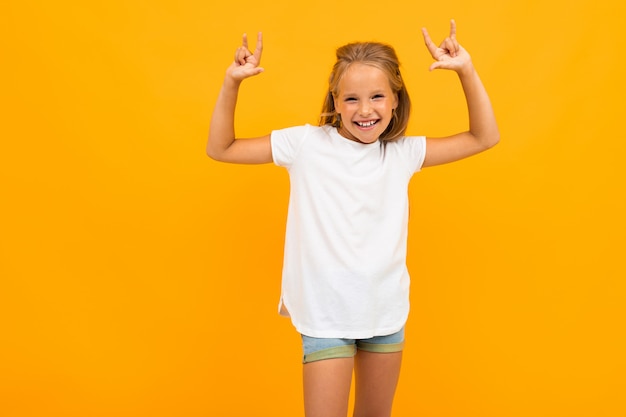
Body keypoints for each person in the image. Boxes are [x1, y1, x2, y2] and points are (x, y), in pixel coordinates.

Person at [207, 20, 499, 417]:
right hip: (326, 316)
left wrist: (465, 69)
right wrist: (232, 82)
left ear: (396, 99)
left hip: (385, 313)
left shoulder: (401, 153)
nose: (365, 110)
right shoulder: (304, 144)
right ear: (334, 100)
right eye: (351, 99)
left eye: (377, 96)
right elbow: (221, 148)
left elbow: (485, 136)